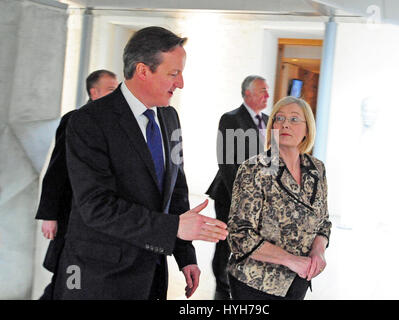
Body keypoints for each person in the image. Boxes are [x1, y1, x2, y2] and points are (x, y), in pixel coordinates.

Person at [52, 26, 228, 300]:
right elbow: (96, 207)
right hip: (100, 277)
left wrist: (185, 255)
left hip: (152, 274)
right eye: (174, 73)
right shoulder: (88, 122)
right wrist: (172, 229)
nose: (180, 83)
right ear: (143, 71)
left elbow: (176, 191)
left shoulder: (170, 118)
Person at [227, 96, 332, 300]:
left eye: (294, 119)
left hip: (298, 281)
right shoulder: (254, 168)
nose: (285, 124)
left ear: (307, 129)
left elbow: (323, 222)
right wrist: (291, 260)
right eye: (279, 118)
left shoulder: (317, 169)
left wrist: (318, 251)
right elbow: (240, 235)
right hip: (256, 284)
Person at [35, 69, 118, 300]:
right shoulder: (75, 119)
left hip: (94, 217)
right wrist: (49, 215)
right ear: (94, 92)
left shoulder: (115, 123)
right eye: (111, 89)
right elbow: (57, 169)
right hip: (69, 212)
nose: (117, 94)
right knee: (64, 276)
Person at [206, 75, 269, 300]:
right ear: (248, 93)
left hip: (259, 198)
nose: (267, 95)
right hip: (229, 193)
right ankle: (222, 286)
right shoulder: (231, 119)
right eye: (262, 91)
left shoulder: (269, 121)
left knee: (249, 240)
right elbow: (226, 162)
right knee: (226, 241)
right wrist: (242, 196)